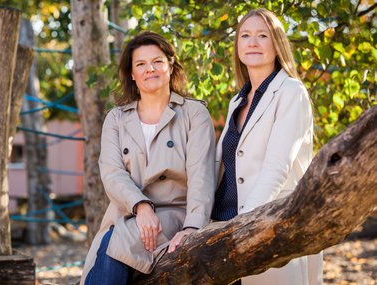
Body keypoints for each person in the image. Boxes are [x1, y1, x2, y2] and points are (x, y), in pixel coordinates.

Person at [80, 31, 216, 285]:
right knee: (114, 239)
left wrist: (192, 228)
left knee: (117, 243)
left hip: (176, 214)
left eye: (157, 61)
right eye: (140, 64)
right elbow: (111, 173)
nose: (149, 69)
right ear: (132, 74)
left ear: (170, 65)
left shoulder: (194, 114)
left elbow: (202, 175)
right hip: (127, 214)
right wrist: (141, 206)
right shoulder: (116, 119)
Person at [212, 8, 323, 285]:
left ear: (277, 44)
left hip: (265, 226)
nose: (253, 42)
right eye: (245, 35)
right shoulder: (237, 101)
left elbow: (276, 169)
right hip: (220, 228)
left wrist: (242, 228)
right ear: (237, 45)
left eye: (262, 35)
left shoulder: (291, 93)